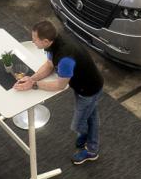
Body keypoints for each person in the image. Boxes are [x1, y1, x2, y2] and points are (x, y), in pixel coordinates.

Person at [16, 20, 104, 164]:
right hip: (86, 84)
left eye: (35, 39)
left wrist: (34, 85)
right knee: (91, 116)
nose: (32, 42)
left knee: (78, 124)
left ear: (45, 41)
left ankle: (91, 151)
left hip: (88, 90)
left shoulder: (65, 58)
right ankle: (89, 141)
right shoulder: (54, 42)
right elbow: (49, 65)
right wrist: (31, 78)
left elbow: (60, 85)